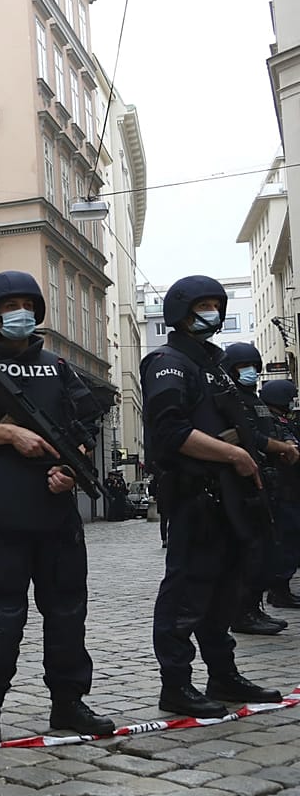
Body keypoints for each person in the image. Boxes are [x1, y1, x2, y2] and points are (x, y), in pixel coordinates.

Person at [0, 270, 115, 743]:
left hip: (56, 508)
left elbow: (85, 427)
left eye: (28, 305)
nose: (21, 314)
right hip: (0, 509)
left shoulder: (58, 367)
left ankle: (68, 702)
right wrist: (8, 433)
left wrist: (71, 468)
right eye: (10, 307)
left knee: (67, 611)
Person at [141, 275, 284, 718]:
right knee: (186, 595)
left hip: (228, 499)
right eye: (202, 305)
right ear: (180, 311)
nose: (212, 313)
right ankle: (176, 684)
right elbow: (170, 431)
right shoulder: (168, 362)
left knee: (225, 593)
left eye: (215, 305)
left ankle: (223, 674)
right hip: (196, 497)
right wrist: (234, 455)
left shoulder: (212, 363)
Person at [220, 343, 299, 635]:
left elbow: (266, 433)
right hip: (247, 484)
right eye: (244, 367)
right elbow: (247, 436)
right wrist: (281, 448)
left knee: (265, 550)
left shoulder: (254, 401)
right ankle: (243, 613)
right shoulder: (232, 399)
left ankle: (253, 608)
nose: (251, 371)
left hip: (268, 482)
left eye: (254, 365)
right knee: (251, 552)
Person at [261, 379, 300, 611]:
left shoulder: (281, 420)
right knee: (287, 540)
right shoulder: (269, 420)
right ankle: (279, 590)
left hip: (287, 489)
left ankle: (279, 588)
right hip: (282, 491)